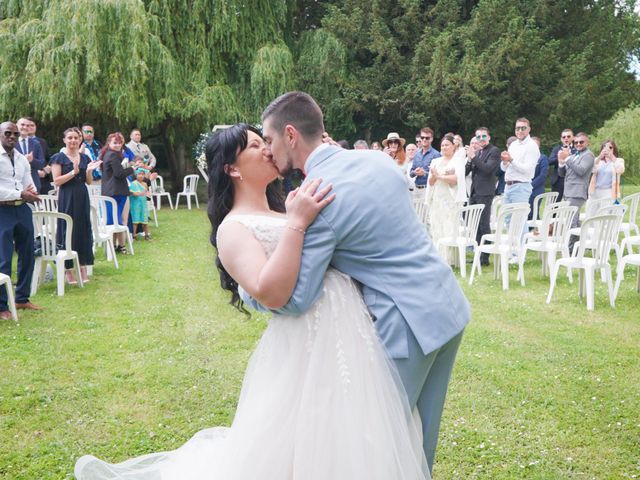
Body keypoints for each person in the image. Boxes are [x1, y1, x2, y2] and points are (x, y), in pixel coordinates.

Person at [75, 123, 431, 480]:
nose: (267, 150)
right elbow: (269, 291)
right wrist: (297, 224)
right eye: (256, 145)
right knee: (307, 438)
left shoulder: (288, 208)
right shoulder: (233, 228)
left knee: (356, 431)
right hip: (305, 344)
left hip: (352, 333)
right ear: (231, 167)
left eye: (266, 142)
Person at [253, 92, 469, 474]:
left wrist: (253, 286)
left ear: (290, 134)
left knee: (377, 441)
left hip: (407, 324)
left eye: (268, 140)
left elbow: (299, 296)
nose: (268, 152)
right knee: (421, 441)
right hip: (448, 305)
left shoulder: (319, 196)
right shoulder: (376, 161)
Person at [0, 121, 42, 319]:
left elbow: (29, 183)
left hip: (22, 209)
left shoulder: (22, 159)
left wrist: (32, 193)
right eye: (8, 133)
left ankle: (22, 298)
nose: (12, 137)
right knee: (3, 259)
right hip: (3, 210)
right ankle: (2, 306)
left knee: (28, 254)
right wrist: (20, 193)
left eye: (15, 134)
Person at [50, 128, 101, 284]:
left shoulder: (84, 157)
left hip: (82, 194)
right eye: (70, 138)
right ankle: (68, 270)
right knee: (67, 230)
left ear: (80, 140)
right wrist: (73, 172)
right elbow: (57, 181)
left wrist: (90, 171)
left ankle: (83, 266)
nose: (73, 140)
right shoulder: (58, 157)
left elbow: (88, 182)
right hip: (67, 196)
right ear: (64, 139)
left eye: (76, 138)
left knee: (83, 229)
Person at [425, 134, 467, 264]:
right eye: (442, 145)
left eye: (447, 145)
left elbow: (456, 180)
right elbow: (431, 182)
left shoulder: (458, 161)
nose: (444, 147)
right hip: (437, 197)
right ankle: (438, 258)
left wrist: (440, 177)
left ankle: (450, 259)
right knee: (436, 226)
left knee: (449, 227)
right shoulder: (435, 162)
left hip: (450, 199)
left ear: (453, 147)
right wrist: (434, 176)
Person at [466, 127, 501, 266]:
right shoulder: (478, 152)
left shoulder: (494, 151)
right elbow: (466, 171)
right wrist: (470, 159)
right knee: (474, 224)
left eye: (483, 136)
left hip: (485, 192)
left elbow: (488, 169)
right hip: (474, 191)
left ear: (489, 137)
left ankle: (485, 257)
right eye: (478, 137)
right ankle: (477, 254)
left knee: (483, 224)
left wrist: (474, 157)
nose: (481, 139)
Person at [558, 132, 595, 251]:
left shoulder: (588, 155)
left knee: (571, 222)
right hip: (568, 192)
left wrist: (567, 158)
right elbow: (562, 174)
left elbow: (581, 170)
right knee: (574, 221)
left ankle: (570, 250)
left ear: (587, 142)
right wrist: (561, 163)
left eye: (581, 142)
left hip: (577, 192)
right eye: (576, 142)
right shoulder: (574, 155)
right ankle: (580, 246)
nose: (578, 144)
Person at [100, 132, 134, 253]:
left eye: (120, 143)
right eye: (115, 143)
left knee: (113, 220)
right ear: (109, 143)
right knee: (115, 221)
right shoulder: (113, 155)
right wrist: (132, 168)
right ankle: (114, 247)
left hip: (111, 191)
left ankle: (114, 246)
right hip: (116, 191)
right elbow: (119, 174)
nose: (118, 145)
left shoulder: (107, 154)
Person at [588, 139, 625, 210]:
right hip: (595, 191)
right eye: (604, 147)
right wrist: (599, 157)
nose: (607, 149)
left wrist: (612, 157)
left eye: (610, 147)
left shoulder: (618, 160)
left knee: (604, 214)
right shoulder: (597, 160)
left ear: (614, 149)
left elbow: (620, 170)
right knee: (591, 214)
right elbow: (592, 170)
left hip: (608, 191)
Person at [15, 117, 46, 193]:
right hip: (16, 183)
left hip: (33, 184)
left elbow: (42, 164)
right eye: (22, 125)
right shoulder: (11, 143)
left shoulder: (36, 143)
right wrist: (23, 160)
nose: (25, 127)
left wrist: (32, 160)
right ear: (16, 126)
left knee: (33, 205)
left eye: (28, 125)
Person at [548, 129, 575, 201]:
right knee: (554, 205)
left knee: (570, 205)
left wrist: (569, 156)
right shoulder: (556, 149)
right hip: (558, 180)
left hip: (572, 180)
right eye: (564, 137)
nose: (566, 138)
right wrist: (561, 156)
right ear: (561, 139)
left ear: (573, 138)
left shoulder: (577, 149)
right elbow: (550, 161)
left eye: (568, 136)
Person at [410, 127, 441, 192]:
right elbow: (411, 173)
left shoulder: (436, 154)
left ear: (431, 139)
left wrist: (424, 173)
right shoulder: (417, 154)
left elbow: (439, 175)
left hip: (429, 189)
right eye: (422, 137)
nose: (424, 139)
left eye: (427, 138)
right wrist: (415, 172)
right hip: (416, 189)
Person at [528, 137, 549, 221]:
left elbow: (542, 176)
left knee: (533, 215)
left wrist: (529, 186)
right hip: (524, 191)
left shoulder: (542, 158)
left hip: (536, 191)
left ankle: (535, 232)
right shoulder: (526, 158)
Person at [129, 168, 152, 240]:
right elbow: (132, 193)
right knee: (135, 220)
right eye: (139, 174)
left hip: (143, 204)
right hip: (135, 204)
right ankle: (134, 235)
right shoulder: (133, 183)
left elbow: (146, 193)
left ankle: (146, 235)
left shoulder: (145, 184)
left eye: (142, 174)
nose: (141, 176)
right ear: (136, 175)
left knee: (145, 219)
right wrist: (140, 193)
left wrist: (148, 194)